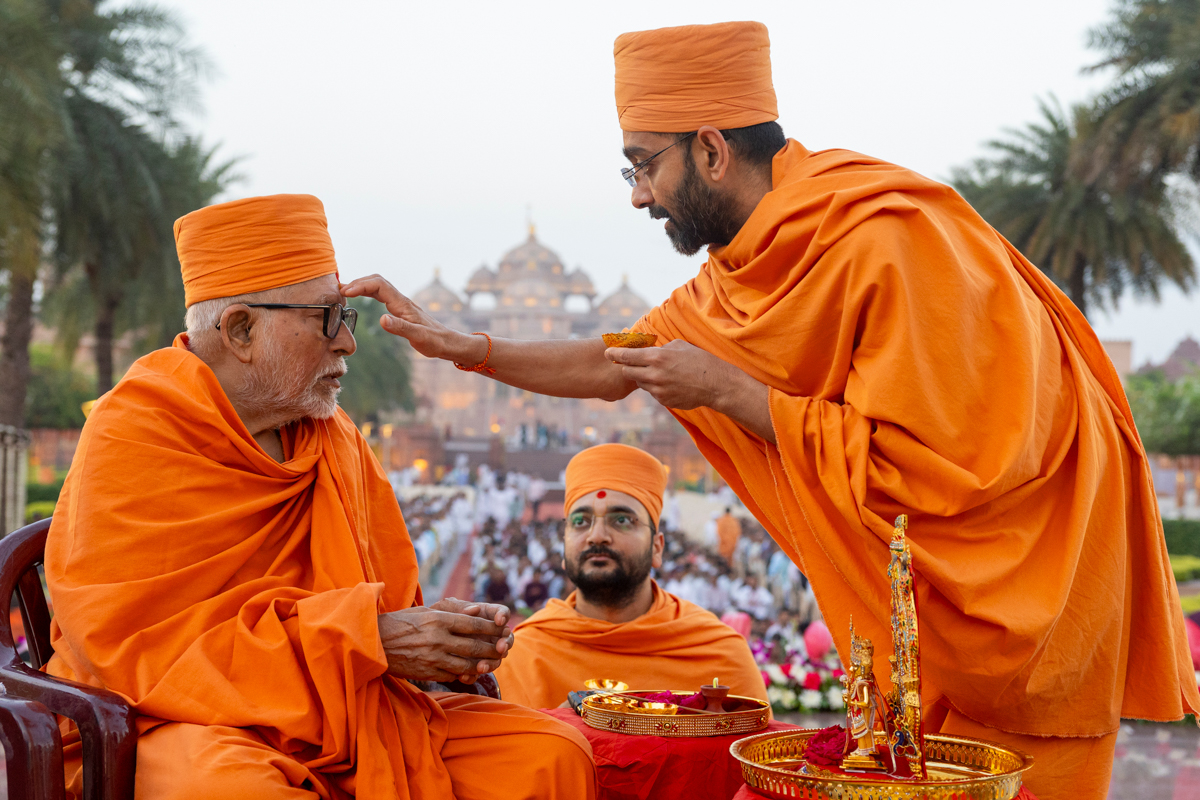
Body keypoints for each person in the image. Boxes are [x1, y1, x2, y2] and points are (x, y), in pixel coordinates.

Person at [343, 21, 1199, 800]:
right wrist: (468, 350)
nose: (639, 197)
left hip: (1022, 618)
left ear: (712, 149)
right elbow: (615, 364)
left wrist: (731, 394)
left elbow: (962, 469)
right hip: (909, 654)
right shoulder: (737, 272)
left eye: (645, 165)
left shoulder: (886, 238)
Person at [43, 194, 594, 800]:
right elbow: (136, 652)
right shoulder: (137, 434)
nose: (347, 344)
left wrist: (440, 640)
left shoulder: (331, 436)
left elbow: (379, 594)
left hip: (344, 703)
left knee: (550, 754)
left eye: (347, 319)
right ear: (242, 330)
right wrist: (367, 640)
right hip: (177, 718)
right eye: (327, 319)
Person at [492, 444, 766, 709]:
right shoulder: (523, 656)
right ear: (564, 548)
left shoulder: (720, 656)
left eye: (621, 520)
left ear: (657, 547)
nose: (597, 535)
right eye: (580, 522)